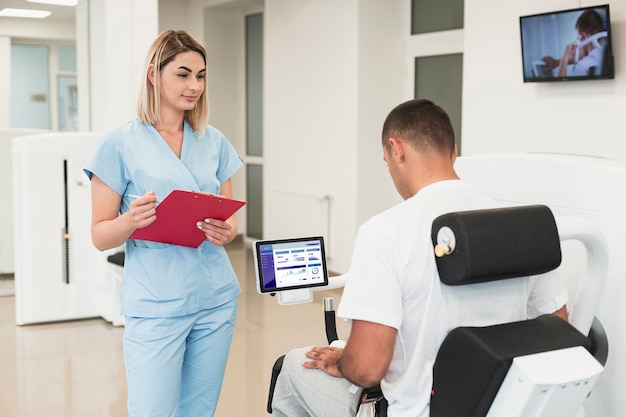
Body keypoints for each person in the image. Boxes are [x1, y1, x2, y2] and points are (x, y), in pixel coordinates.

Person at [270, 99, 569, 417]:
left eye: (386, 161)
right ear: (453, 152)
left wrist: (341, 360)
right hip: (504, 405)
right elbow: (558, 327)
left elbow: (367, 369)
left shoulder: (384, 232)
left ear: (395, 150)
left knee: (290, 370)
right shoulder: (520, 225)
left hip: (419, 411)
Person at [83, 30, 243, 417]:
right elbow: (99, 235)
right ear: (154, 74)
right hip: (156, 304)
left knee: (199, 411)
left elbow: (230, 221)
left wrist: (227, 231)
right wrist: (130, 220)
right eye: (183, 74)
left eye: (201, 76)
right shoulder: (119, 143)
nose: (194, 86)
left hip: (215, 299)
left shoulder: (214, 141)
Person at [541, 9, 607, 77]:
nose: (577, 44)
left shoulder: (582, 66)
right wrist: (556, 62)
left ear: (585, 36)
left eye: (578, 38)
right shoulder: (606, 58)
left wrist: (564, 59)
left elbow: (561, 87)